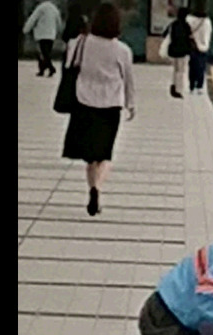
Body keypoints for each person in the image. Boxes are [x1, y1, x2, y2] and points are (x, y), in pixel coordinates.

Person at [61, 2, 135, 216]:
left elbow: (68, 65)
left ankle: (92, 187)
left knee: (90, 156)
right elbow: (128, 79)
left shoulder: (79, 43)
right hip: (110, 106)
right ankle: (97, 188)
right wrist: (131, 104)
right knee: (105, 154)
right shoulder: (122, 50)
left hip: (83, 103)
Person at [23, 0, 64, 77]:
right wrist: (60, 30)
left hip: (41, 34)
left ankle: (49, 68)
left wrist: (26, 29)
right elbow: (58, 20)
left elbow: (33, 19)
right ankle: (43, 69)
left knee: (42, 53)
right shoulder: (54, 9)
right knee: (46, 53)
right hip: (51, 34)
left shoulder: (40, 8)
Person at [186, 2, 213, 95]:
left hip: (192, 45)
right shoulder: (207, 21)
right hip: (203, 46)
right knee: (201, 66)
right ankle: (199, 86)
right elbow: (208, 34)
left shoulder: (189, 19)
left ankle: (191, 85)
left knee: (192, 66)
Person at [166, 7, 192, 99]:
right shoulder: (186, 26)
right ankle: (179, 89)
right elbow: (189, 38)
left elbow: (168, 35)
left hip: (174, 50)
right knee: (181, 71)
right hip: (183, 51)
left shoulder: (174, 24)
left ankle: (174, 85)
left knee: (175, 70)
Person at [61, 0, 88, 71]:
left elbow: (65, 34)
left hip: (70, 44)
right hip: (80, 45)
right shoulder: (82, 20)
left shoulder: (70, 19)